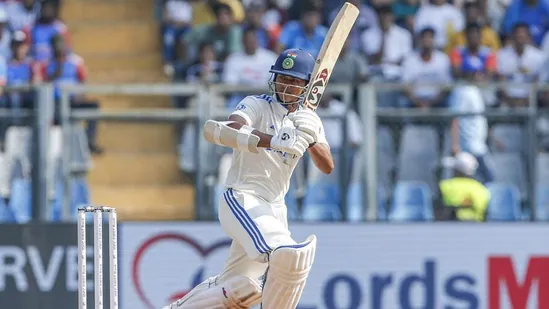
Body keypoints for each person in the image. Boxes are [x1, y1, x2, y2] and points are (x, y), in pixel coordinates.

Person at [163, 48, 334, 308]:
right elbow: (229, 129)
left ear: (307, 86)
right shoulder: (257, 104)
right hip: (242, 198)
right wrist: (273, 140)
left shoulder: (309, 120)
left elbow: (327, 166)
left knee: (237, 287)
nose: (285, 86)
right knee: (290, 258)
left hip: (275, 208)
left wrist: (310, 139)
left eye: (294, 81)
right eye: (282, 78)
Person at [437, 152, 490, 222]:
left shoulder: (445, 186)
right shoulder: (482, 189)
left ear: (457, 171)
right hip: (478, 227)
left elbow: (438, 212)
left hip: (450, 227)